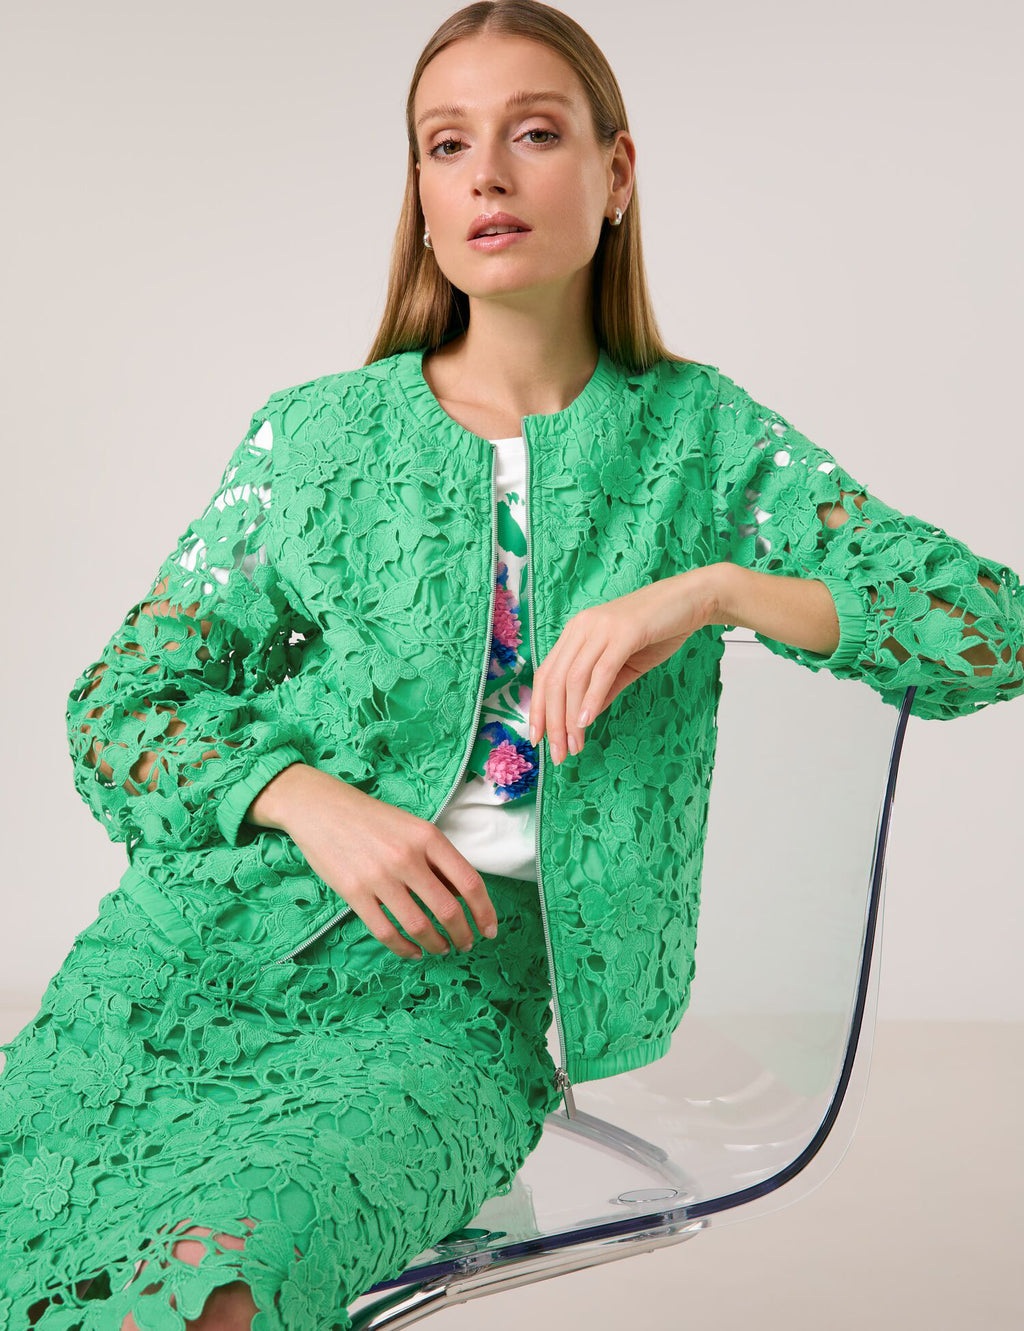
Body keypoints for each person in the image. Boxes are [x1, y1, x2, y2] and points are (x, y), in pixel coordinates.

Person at [2, 3, 1022, 1328]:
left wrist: (714, 592)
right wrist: (311, 801)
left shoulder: (702, 442)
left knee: (216, 1293)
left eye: (534, 134)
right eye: (447, 145)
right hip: (185, 962)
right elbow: (119, 707)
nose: (487, 174)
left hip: (443, 1024)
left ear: (615, 172)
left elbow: (992, 628)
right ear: (423, 197)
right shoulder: (313, 438)